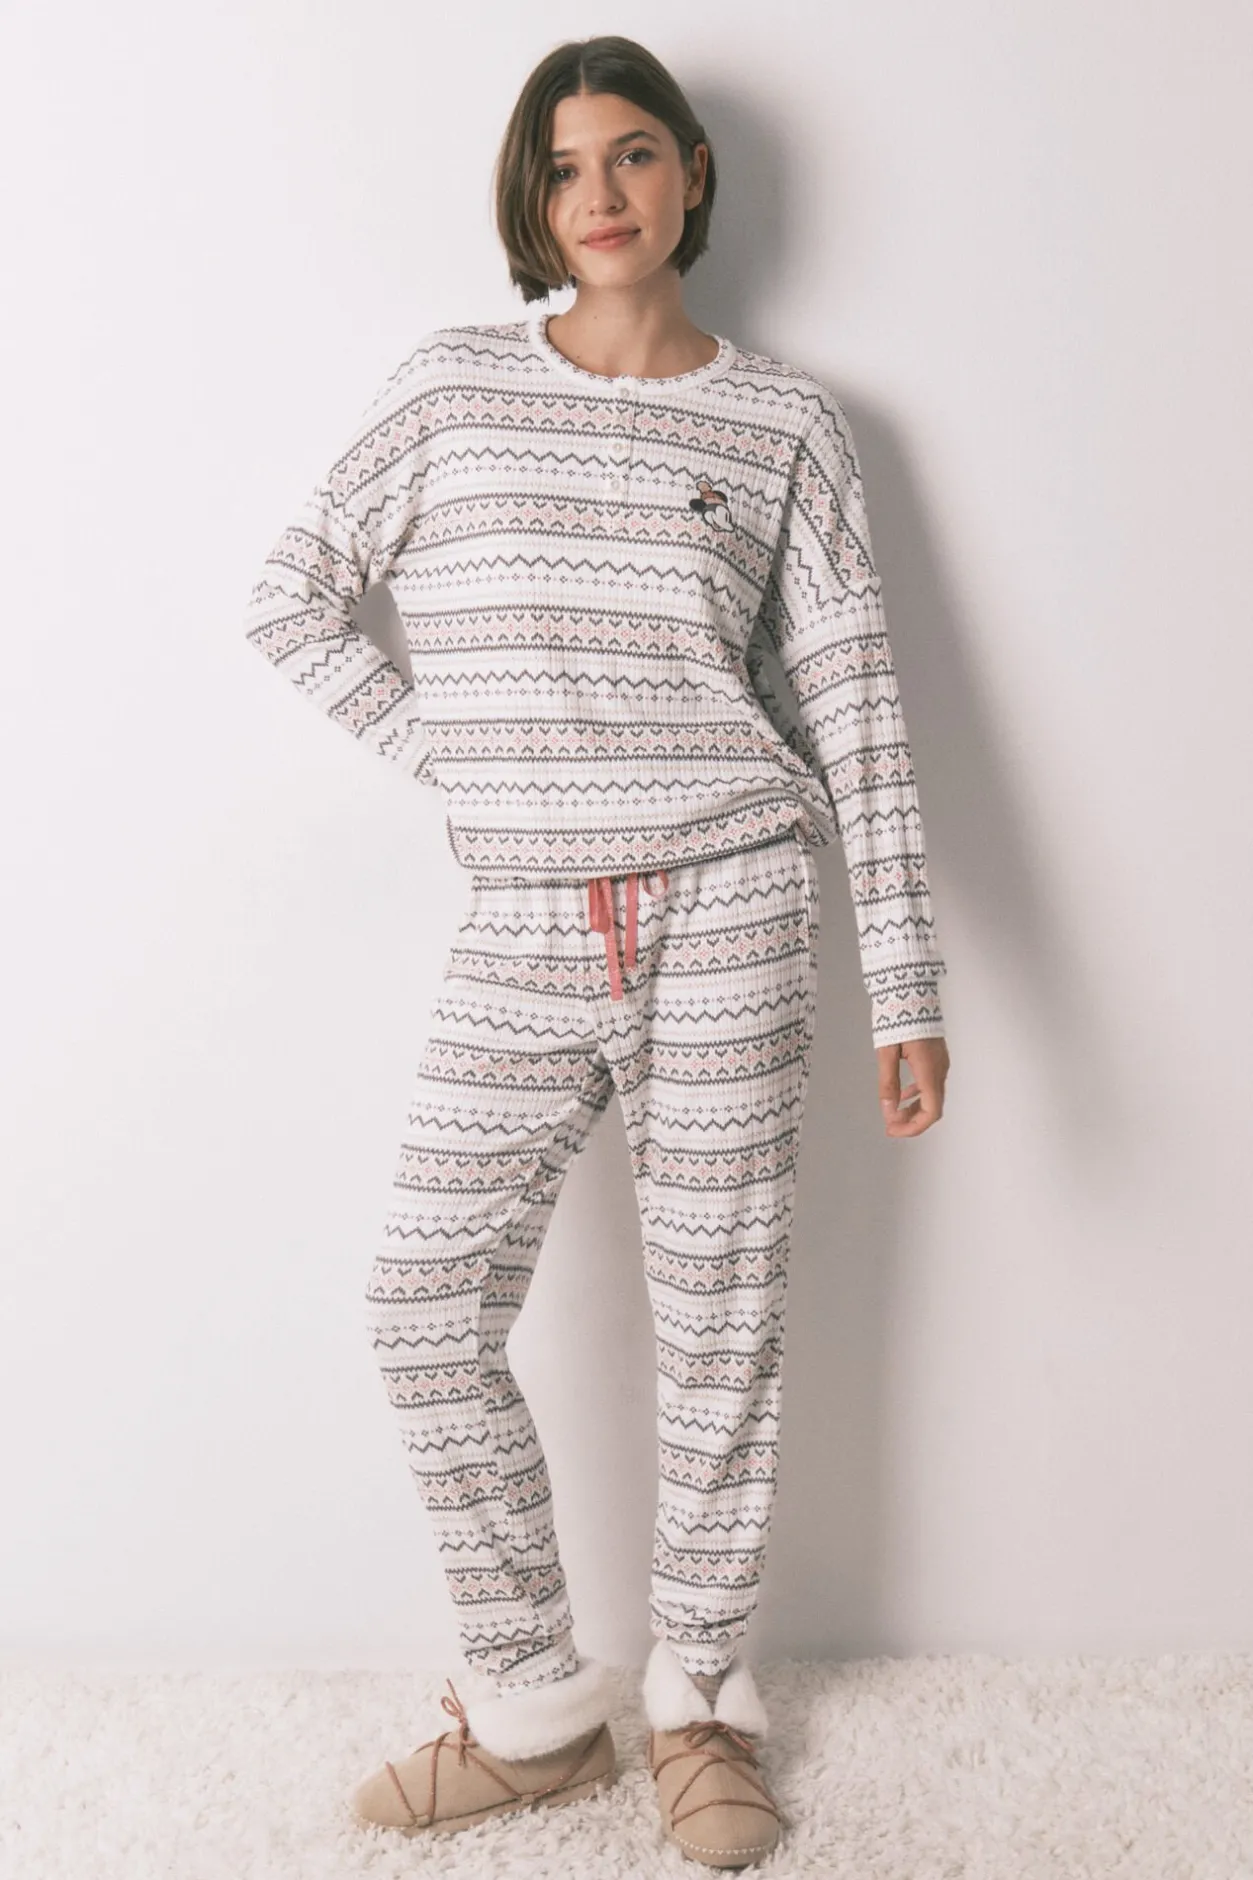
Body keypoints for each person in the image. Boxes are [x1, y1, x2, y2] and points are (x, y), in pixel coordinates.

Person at [242, 31, 951, 1868]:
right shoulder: (452, 389)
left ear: (692, 174)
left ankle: (700, 1702)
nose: (601, 194)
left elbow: (858, 707)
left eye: (634, 154)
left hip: (735, 898)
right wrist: (459, 755)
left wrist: (907, 977)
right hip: (525, 917)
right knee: (425, 1305)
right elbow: (292, 598)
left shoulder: (786, 427)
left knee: (721, 1320)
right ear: (530, 196)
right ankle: (534, 1709)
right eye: (564, 167)